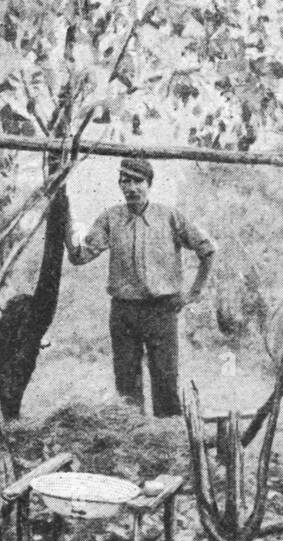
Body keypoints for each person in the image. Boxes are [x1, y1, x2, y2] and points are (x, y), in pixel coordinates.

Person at [66, 157, 216, 416]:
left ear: (149, 184)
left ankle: (167, 440)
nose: (132, 188)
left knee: (165, 380)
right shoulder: (110, 218)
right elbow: (81, 256)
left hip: (161, 310)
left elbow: (207, 249)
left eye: (138, 182)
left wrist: (194, 292)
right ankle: (134, 440)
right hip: (124, 312)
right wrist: (66, 224)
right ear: (119, 185)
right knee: (126, 382)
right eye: (125, 182)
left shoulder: (169, 216)